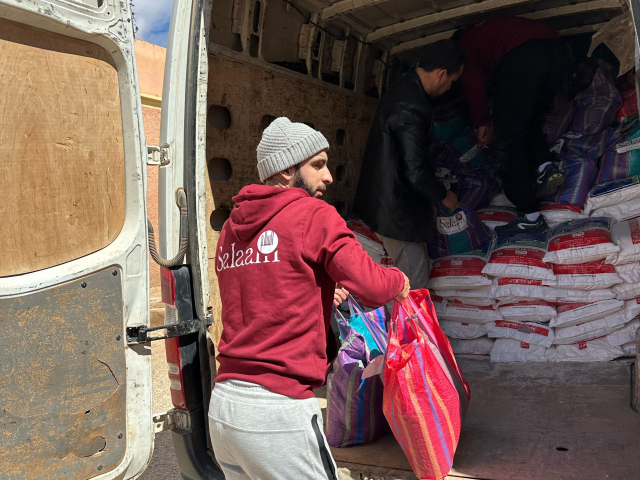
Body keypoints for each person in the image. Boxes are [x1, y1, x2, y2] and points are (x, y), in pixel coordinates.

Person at [208, 117, 410, 480]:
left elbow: (262, 293)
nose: (329, 176)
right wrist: (399, 280)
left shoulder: (230, 229)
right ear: (287, 170)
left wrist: (320, 293)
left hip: (224, 408)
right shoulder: (314, 215)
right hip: (277, 412)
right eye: (318, 165)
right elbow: (372, 287)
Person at [353, 39, 465, 289]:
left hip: (388, 202)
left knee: (409, 278)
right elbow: (415, 170)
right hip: (396, 212)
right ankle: (403, 317)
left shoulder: (403, 88)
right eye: (452, 81)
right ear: (441, 74)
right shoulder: (411, 106)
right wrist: (443, 195)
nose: (449, 88)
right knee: (414, 286)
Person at [455, 16, 573, 224]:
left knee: (508, 136)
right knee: (528, 117)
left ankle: (530, 215)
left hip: (523, 56)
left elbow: (473, 84)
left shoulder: (465, 42)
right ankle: (546, 165)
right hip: (557, 50)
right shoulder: (488, 30)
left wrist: (481, 121)